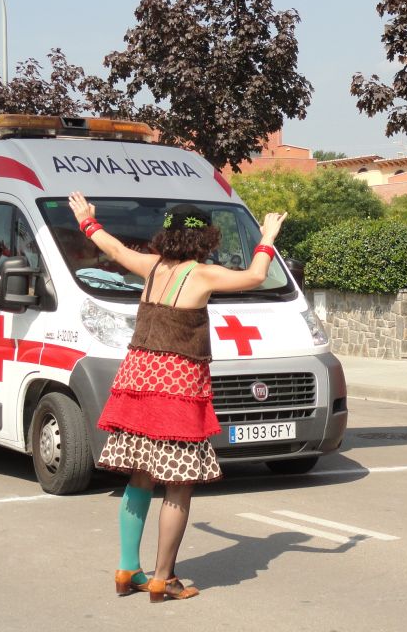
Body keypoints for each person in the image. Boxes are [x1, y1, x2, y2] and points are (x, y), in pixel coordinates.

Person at [68, 192, 286, 602]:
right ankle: (163, 578)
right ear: (205, 239)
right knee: (178, 485)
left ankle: (127, 569)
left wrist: (87, 221)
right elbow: (256, 276)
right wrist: (267, 235)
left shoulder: (151, 267)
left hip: (138, 379)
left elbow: (111, 247)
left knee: (140, 476)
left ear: (166, 237)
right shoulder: (201, 275)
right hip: (177, 385)